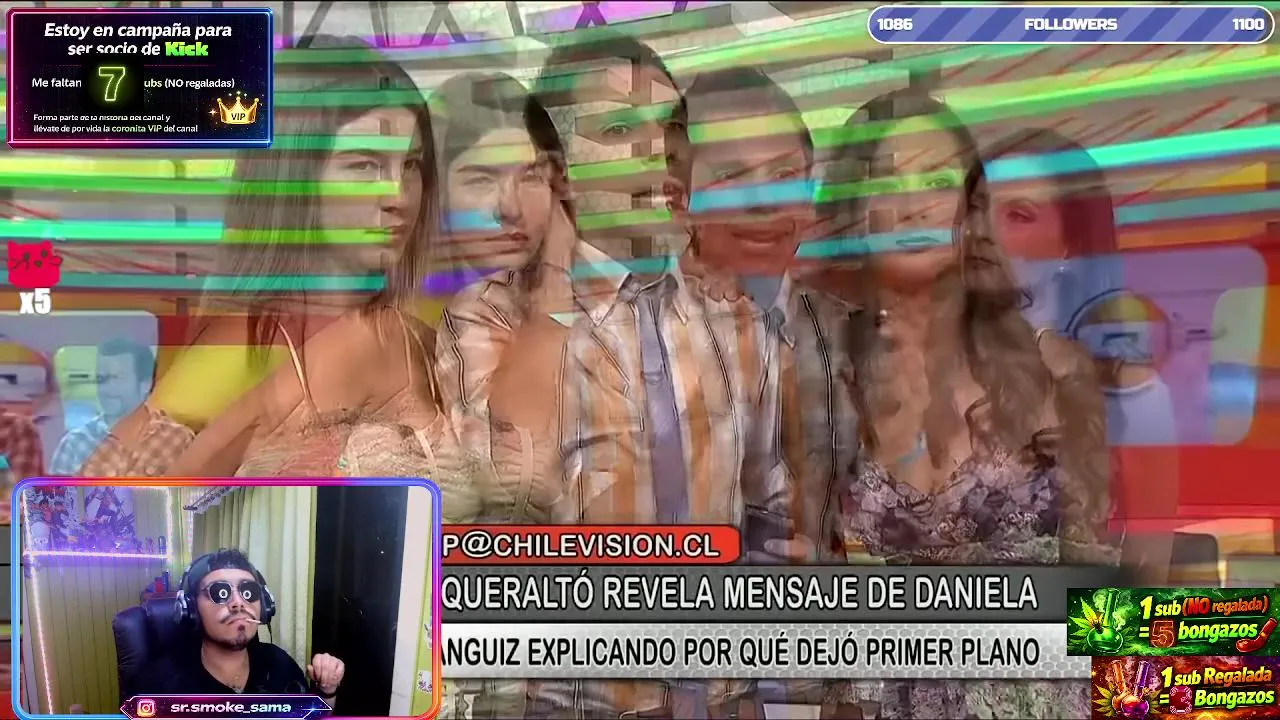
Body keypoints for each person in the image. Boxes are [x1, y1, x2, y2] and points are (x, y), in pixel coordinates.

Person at [826, 90, 1115, 718]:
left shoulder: (1055, 368)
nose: (911, 205)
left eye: (935, 180)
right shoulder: (823, 371)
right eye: (886, 182)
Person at [166, 36, 449, 479]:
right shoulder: (240, 347)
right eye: (364, 166)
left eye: (411, 165)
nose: (398, 196)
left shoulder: (423, 341)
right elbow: (130, 506)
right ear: (293, 175)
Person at [980, 128, 1176, 582]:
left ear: (1070, 245)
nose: (983, 233)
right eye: (976, 211)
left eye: (1017, 215)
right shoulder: (921, 373)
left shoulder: (1133, 394)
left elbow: (1148, 589)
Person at [142, 549, 345, 698]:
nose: (238, 603)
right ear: (190, 608)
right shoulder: (159, 687)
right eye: (220, 592)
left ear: (264, 605)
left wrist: (327, 689)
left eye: (249, 592)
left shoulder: (279, 664)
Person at [49, 339, 155, 475]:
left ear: (145, 385)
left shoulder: (175, 440)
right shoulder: (74, 445)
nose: (107, 388)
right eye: (101, 379)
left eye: (118, 378)